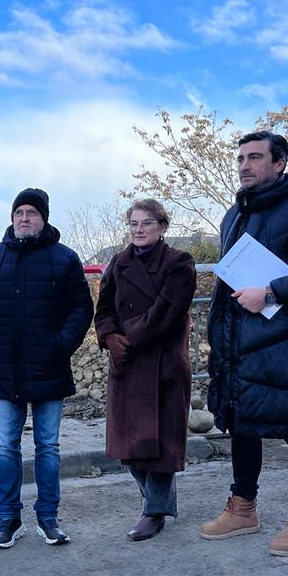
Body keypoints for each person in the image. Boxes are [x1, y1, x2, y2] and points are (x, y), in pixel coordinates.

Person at [201, 131, 288, 556]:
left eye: (255, 157)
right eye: (241, 158)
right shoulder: (233, 215)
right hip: (240, 344)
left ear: (279, 163)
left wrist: (271, 291)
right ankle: (242, 507)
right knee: (243, 424)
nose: (244, 165)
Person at [0, 188, 93, 548]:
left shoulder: (64, 259)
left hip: (49, 368)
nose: (24, 218)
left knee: (48, 447)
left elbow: (81, 309)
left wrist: (60, 345)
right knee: (5, 449)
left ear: (44, 218)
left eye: (32, 213)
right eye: (19, 212)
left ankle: (48, 518)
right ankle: (8, 519)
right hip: (3, 370)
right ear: (11, 217)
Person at [94, 200, 196, 542]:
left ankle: (154, 511)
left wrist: (128, 337)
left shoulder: (179, 262)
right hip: (125, 364)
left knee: (161, 446)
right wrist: (109, 336)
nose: (139, 229)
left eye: (147, 223)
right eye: (134, 223)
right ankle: (156, 504)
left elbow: (167, 311)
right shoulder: (118, 262)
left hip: (162, 364)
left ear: (162, 226)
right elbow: (104, 306)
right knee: (130, 446)